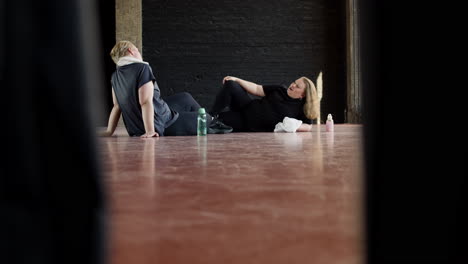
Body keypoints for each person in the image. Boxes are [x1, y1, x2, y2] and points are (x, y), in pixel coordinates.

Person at [98, 41, 232, 138]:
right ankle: (212, 123)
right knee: (205, 118)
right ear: (131, 52)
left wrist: (110, 131)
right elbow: (145, 102)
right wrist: (150, 131)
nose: (138, 52)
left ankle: (211, 122)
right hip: (162, 123)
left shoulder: (115, 76)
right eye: (137, 50)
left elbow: (116, 106)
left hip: (136, 127)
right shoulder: (142, 68)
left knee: (185, 97)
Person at [209, 76, 319, 132]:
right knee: (231, 84)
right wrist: (237, 79)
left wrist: (295, 126)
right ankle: (210, 115)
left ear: (303, 95)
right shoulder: (280, 89)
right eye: (295, 82)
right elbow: (257, 89)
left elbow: (309, 126)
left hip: (248, 124)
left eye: (297, 86)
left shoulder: (301, 108)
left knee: (219, 122)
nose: (293, 85)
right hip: (247, 106)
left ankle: (208, 120)